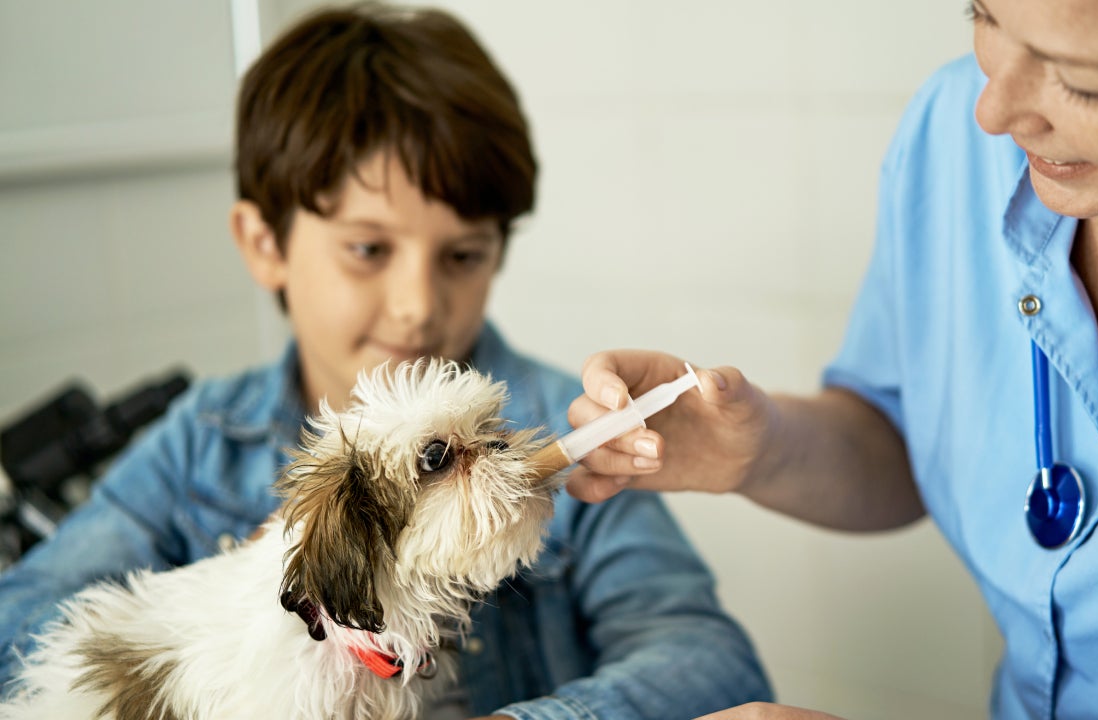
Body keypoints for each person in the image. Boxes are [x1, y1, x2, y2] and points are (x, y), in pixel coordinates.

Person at [0, 5, 772, 719]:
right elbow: (22, 621)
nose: (416, 303)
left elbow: (711, 660)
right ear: (265, 243)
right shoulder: (200, 444)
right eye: (369, 249)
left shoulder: (580, 425)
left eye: (463, 254)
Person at [564, 0, 1098, 718]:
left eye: (1081, 81)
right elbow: (905, 432)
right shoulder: (954, 134)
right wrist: (762, 451)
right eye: (986, 17)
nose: (993, 112)